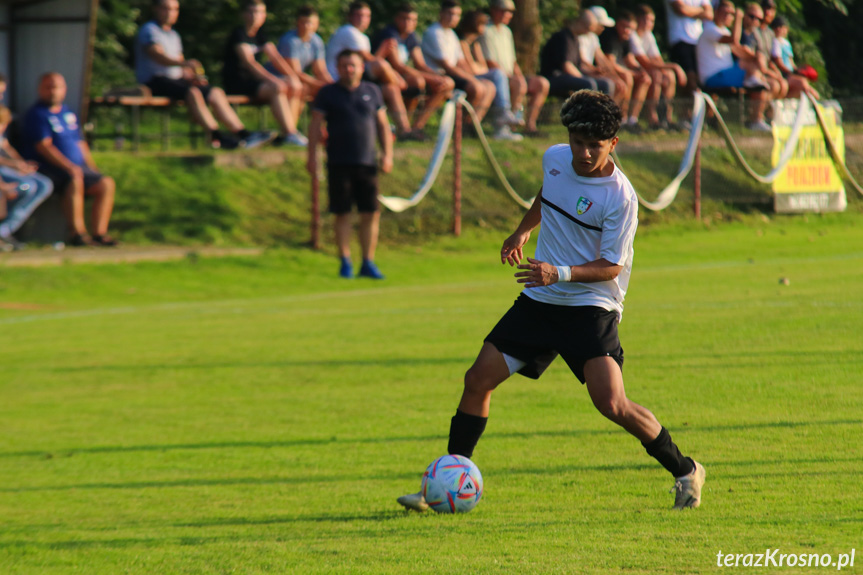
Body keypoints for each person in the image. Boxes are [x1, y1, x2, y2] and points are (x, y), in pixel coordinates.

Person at [397, 89, 705, 513]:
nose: (582, 153)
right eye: (577, 143)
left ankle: (686, 470)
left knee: (612, 403)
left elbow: (612, 266)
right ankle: (448, 483)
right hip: (541, 300)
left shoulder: (621, 197)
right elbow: (548, 193)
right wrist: (523, 231)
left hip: (590, 306)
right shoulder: (556, 157)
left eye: (593, 146)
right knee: (477, 380)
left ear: (613, 143)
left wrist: (555, 272)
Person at [135, 0, 273, 149]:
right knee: (193, 92)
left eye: (175, 9)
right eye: (166, 9)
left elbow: (180, 63)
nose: (171, 13)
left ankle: (243, 134)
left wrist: (191, 76)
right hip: (155, 80)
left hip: (176, 81)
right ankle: (217, 136)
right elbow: (158, 56)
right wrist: (185, 64)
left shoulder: (173, 34)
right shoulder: (149, 30)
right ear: (155, 9)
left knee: (215, 92)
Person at [307, 49, 393, 280]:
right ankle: (345, 261)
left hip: (367, 161)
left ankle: (368, 261)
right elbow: (315, 126)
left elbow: (383, 125)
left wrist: (387, 154)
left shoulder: (372, 91)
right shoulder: (328, 93)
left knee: (370, 213)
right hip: (338, 161)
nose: (349, 69)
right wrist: (311, 157)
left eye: (353, 65)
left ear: (361, 67)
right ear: (337, 67)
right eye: (344, 65)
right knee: (342, 213)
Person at [19, 72, 117, 247]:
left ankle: (100, 234)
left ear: (64, 90)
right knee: (75, 179)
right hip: (51, 168)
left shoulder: (68, 113)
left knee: (106, 183)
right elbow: (43, 146)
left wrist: (92, 168)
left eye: (56, 87)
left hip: (76, 167)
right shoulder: (37, 114)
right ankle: (77, 234)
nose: (52, 91)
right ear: (40, 89)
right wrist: (69, 166)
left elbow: (80, 142)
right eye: (48, 87)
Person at [326, 1, 418, 140]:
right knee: (383, 67)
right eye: (359, 15)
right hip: (340, 80)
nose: (363, 19)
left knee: (391, 89)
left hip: (356, 78)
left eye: (367, 16)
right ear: (349, 17)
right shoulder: (348, 31)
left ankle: (405, 131)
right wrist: (397, 76)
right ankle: (403, 87)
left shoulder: (362, 37)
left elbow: (365, 64)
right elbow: (371, 61)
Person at [223, 0, 308, 147]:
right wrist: (273, 80)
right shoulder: (239, 34)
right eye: (252, 11)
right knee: (277, 87)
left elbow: (275, 58)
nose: (256, 16)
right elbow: (250, 64)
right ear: (244, 14)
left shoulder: (261, 34)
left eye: (260, 12)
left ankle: (287, 133)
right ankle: (289, 133)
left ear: (265, 15)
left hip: (254, 82)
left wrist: (293, 78)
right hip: (238, 82)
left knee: (295, 87)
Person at [371, 3, 454, 138]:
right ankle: (406, 129)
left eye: (412, 20)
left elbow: (420, 64)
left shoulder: (411, 36)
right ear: (396, 19)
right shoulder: (389, 34)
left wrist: (437, 76)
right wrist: (431, 78)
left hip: (402, 78)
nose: (408, 23)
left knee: (446, 83)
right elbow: (398, 65)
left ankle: (417, 127)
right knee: (418, 81)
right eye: (405, 19)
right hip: (386, 79)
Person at [696, 1, 771, 131]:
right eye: (725, 13)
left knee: (759, 81)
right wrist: (738, 19)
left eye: (731, 14)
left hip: (725, 75)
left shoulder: (723, 31)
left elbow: (738, 51)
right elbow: (734, 40)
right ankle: (755, 119)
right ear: (716, 12)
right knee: (755, 78)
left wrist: (757, 58)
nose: (728, 16)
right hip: (714, 77)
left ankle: (757, 119)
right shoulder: (710, 30)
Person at [480, 0, 549, 137]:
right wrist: (515, 78)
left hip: (510, 74)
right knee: (518, 84)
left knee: (542, 83)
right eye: (504, 11)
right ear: (494, 10)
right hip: (495, 75)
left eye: (510, 12)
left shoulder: (506, 31)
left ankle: (529, 126)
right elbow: (489, 61)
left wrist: (519, 75)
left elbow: (512, 61)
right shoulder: (485, 31)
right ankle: (505, 127)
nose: (508, 15)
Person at [422, 0, 496, 123]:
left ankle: (472, 124)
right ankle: (461, 125)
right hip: (439, 75)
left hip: (454, 75)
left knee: (490, 86)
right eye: (450, 13)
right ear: (441, 13)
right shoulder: (434, 32)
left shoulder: (452, 34)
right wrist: (472, 79)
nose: (453, 18)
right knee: (477, 88)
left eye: (457, 15)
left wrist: (472, 76)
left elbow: (461, 62)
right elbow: (447, 66)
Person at [456, 10, 522, 141]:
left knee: (495, 82)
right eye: (482, 24)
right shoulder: (462, 43)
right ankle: (503, 111)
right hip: (467, 78)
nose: (485, 28)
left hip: (478, 76)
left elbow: (482, 67)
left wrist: (478, 67)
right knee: (498, 74)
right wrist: (478, 68)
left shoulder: (475, 44)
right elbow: (471, 69)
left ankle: (478, 125)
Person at [0, 105, 53, 251]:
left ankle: (5, 229)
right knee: (27, 187)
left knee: (44, 184)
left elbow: (7, 149)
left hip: (7, 170)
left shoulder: (1, 134)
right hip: (3, 173)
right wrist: (13, 165)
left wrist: (22, 165)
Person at [630, 4, 688, 130]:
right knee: (656, 75)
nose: (649, 23)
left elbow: (657, 59)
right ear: (638, 19)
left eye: (651, 21)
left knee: (669, 76)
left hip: (647, 69)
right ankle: (652, 116)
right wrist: (674, 66)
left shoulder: (648, 36)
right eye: (645, 19)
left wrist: (669, 70)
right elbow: (643, 61)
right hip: (635, 70)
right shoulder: (633, 36)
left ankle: (666, 117)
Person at [540, 12, 613, 99]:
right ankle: (586, 112)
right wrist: (583, 78)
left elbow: (578, 66)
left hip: (567, 76)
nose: (587, 33)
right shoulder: (563, 37)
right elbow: (567, 67)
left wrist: (592, 72)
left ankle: (603, 111)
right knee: (588, 84)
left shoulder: (576, 39)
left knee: (606, 84)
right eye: (587, 29)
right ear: (580, 23)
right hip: (554, 76)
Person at [599, 10, 652, 132]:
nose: (627, 31)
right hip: (604, 72)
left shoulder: (626, 38)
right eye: (625, 27)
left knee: (646, 79)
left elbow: (629, 60)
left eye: (631, 28)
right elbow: (610, 63)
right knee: (627, 77)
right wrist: (631, 73)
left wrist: (640, 71)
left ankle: (633, 119)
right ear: (617, 24)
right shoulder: (610, 36)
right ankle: (621, 118)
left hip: (617, 71)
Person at [275, 5, 333, 105]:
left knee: (328, 92)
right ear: (297, 23)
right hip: (278, 77)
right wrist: (320, 85)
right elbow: (295, 72)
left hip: (295, 80)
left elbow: (320, 70)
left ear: (316, 24)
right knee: (302, 89)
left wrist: (333, 85)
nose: (307, 26)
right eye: (303, 22)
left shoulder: (316, 41)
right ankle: (291, 121)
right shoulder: (289, 41)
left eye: (310, 23)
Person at [739, 2, 787, 106]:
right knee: (773, 85)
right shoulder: (751, 32)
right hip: (753, 70)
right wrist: (772, 74)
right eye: (766, 8)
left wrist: (777, 73)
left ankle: (766, 115)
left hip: (763, 68)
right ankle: (756, 117)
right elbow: (754, 57)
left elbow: (768, 60)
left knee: (783, 84)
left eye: (771, 9)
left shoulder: (770, 33)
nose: (768, 12)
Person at [578, 7, 627, 108]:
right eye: (601, 25)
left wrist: (615, 76)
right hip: (582, 72)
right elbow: (581, 61)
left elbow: (602, 59)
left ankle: (610, 116)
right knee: (608, 84)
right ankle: (601, 117)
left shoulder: (593, 37)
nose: (603, 28)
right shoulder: (580, 37)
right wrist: (596, 70)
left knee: (619, 84)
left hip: (591, 71)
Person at [665, 0, 713, 95]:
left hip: (699, 42)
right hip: (680, 41)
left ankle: (698, 109)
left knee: (703, 80)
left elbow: (709, 14)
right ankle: (685, 109)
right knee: (688, 81)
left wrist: (689, 10)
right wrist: (701, 10)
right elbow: (681, 9)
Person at [770, 17, 820, 100]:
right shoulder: (775, 42)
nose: (778, 29)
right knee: (802, 83)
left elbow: (790, 61)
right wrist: (791, 72)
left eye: (781, 26)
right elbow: (778, 62)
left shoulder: (786, 43)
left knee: (808, 88)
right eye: (776, 26)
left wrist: (797, 71)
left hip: (789, 73)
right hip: (783, 73)